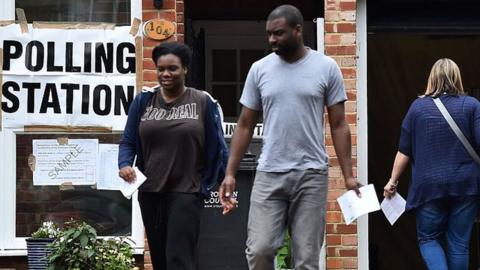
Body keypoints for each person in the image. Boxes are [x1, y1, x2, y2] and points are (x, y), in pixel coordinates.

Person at [218, 5, 360, 270]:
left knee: (306, 259)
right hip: (269, 172)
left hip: (311, 174)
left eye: (279, 33)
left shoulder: (326, 67)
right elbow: (246, 124)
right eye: (269, 34)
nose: (272, 39)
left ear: (298, 30)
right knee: (259, 250)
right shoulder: (259, 69)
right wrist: (230, 173)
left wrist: (348, 176)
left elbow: (339, 124)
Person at [118, 42, 228, 270]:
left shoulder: (202, 101)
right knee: (160, 259)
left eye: (173, 68)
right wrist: (125, 164)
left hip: (187, 190)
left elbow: (217, 146)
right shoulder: (143, 101)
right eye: (161, 69)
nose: (166, 74)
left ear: (185, 69)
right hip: (150, 191)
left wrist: (217, 182)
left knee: (179, 258)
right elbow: (128, 140)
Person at [384, 58, 480, 270]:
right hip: (466, 186)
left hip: (429, 187)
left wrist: (392, 181)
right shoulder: (472, 105)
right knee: (459, 244)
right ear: (457, 78)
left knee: (428, 239)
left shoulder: (417, 108)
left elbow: (404, 151)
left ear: (432, 78)